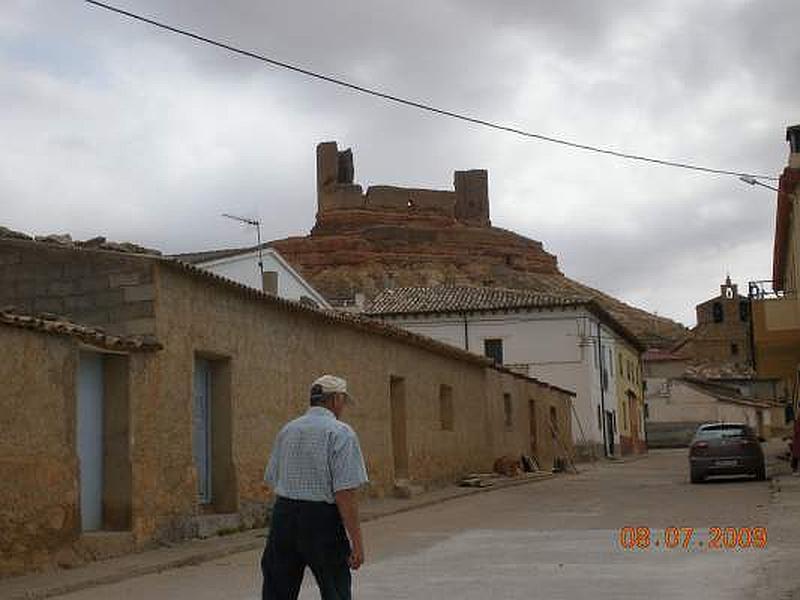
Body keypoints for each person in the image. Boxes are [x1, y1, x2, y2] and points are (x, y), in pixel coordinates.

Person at [262, 375, 369, 600]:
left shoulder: (288, 430)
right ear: (336, 399)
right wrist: (357, 543)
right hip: (322, 520)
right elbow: (345, 493)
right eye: (343, 401)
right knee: (334, 588)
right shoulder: (341, 433)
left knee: (277, 590)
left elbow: (273, 478)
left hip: (284, 516)